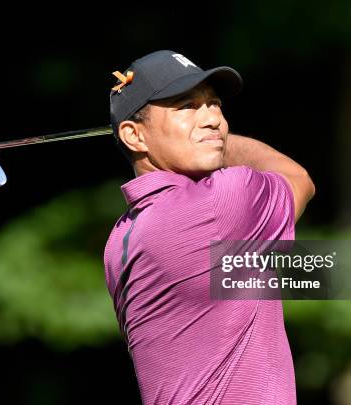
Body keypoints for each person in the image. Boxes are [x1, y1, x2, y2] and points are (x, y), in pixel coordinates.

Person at [103, 50, 315, 405]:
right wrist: (220, 145)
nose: (213, 119)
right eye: (186, 106)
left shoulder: (120, 239)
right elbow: (299, 179)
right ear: (134, 136)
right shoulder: (224, 203)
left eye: (213, 104)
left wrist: (202, 139)